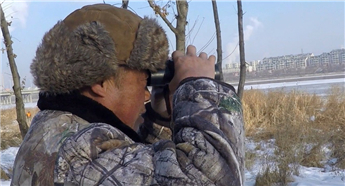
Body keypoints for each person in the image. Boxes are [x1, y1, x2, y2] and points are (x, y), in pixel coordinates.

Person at [11, 3, 244, 186]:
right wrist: (199, 89)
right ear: (100, 81)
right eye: (144, 79)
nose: (145, 93)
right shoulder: (79, 151)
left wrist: (158, 119)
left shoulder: (55, 132)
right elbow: (214, 178)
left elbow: (134, 169)